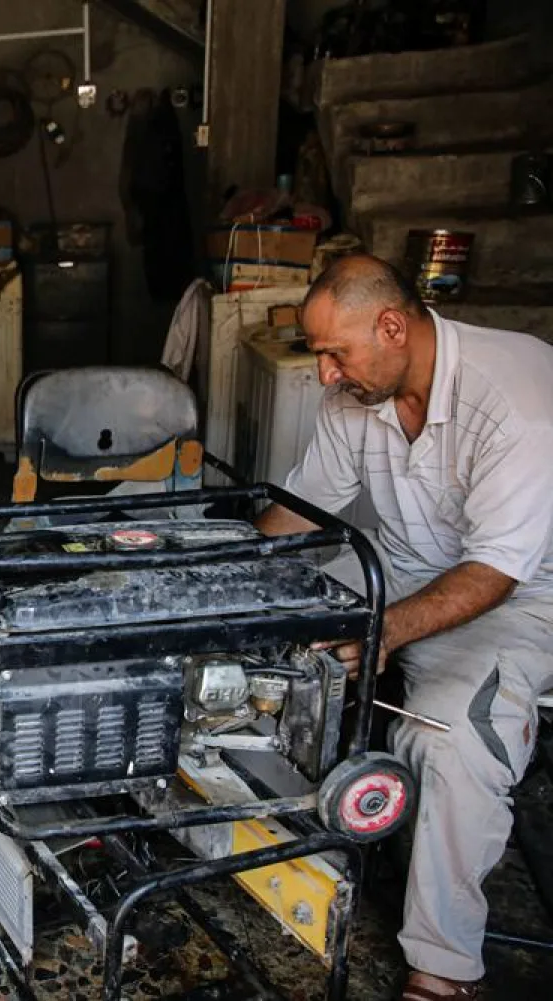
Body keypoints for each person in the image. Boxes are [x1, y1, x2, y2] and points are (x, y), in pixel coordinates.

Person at [255, 254, 553, 1001]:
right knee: (271, 638)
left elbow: (496, 571)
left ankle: (445, 968)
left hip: (524, 594)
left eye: (334, 353)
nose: (325, 374)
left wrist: (386, 629)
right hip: (407, 568)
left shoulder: (516, 398)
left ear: (393, 326)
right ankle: (274, 840)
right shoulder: (357, 397)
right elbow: (300, 512)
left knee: (449, 735)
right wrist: (233, 579)